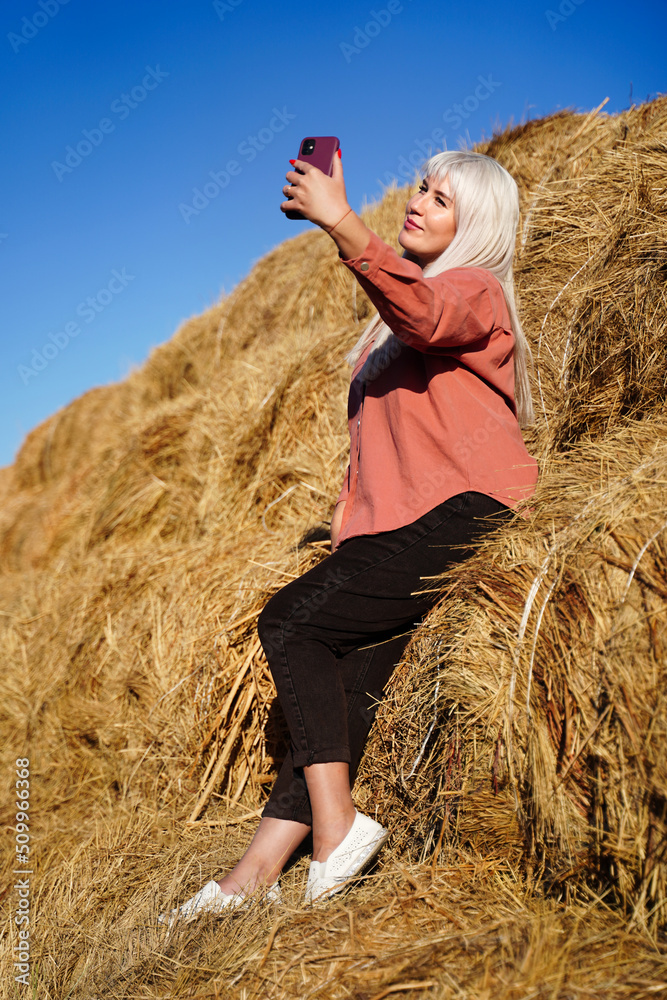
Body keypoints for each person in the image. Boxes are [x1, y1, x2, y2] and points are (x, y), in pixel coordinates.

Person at [160, 146, 538, 926]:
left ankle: (337, 832)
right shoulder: (396, 325)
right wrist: (346, 545)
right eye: (421, 188)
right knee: (340, 696)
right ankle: (253, 874)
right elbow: (373, 463)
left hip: (469, 507)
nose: (419, 202)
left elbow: (426, 313)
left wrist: (339, 222)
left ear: (477, 226)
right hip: (397, 529)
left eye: (440, 199)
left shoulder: (475, 293)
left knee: (288, 622)